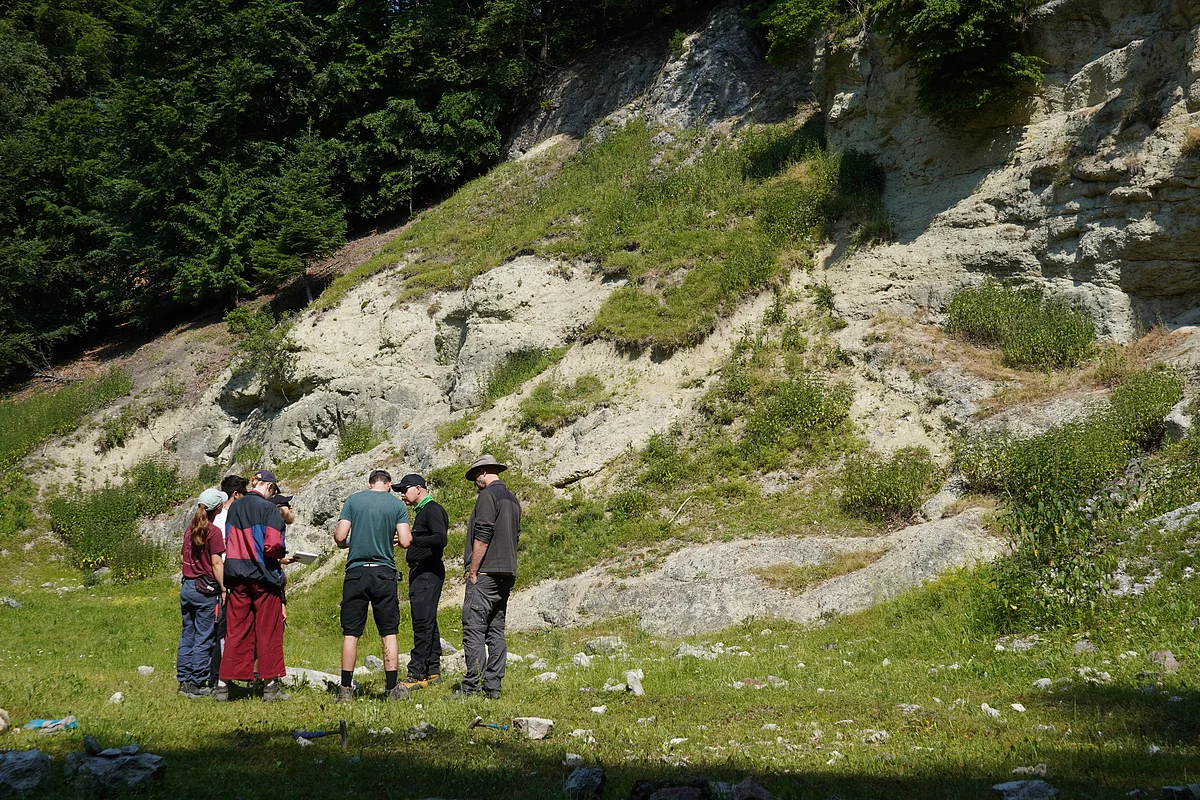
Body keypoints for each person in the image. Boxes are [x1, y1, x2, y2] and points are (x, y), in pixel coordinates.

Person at [333, 468, 412, 702]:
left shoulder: (353, 500)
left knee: (351, 633)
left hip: (356, 573)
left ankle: (345, 689)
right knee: (388, 631)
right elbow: (406, 541)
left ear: (369, 484)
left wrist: (350, 542)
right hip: (384, 573)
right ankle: (391, 688)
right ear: (388, 484)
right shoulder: (397, 505)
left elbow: (340, 537)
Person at [218, 469, 293, 702]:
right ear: (269, 486)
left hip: (237, 577)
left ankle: (223, 686)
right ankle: (270, 687)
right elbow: (272, 546)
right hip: (263, 578)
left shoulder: (234, 508)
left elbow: (230, 540)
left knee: (236, 631)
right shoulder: (269, 509)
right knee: (268, 631)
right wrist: (282, 555)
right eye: (274, 491)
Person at [458, 454, 521, 699]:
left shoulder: (487, 495)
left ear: (483, 472)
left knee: (474, 627)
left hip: (485, 572)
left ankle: (471, 687)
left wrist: (473, 570)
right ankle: (493, 686)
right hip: (507, 572)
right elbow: (515, 536)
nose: (475, 481)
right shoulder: (513, 499)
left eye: (476, 476)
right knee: (496, 629)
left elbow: (483, 533)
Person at [393, 473, 448, 691]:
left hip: (428, 571)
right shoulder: (422, 511)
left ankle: (415, 673)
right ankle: (433, 671)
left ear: (418, 488)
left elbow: (441, 538)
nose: (402, 495)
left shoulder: (432, 510)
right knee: (428, 621)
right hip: (421, 571)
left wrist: (413, 539)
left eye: (404, 490)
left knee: (422, 622)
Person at [177, 488, 227, 699]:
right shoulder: (213, 532)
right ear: (218, 508)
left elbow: (182, 557)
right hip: (204, 590)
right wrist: (224, 588)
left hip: (187, 587)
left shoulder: (190, 529)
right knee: (204, 637)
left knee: (187, 634)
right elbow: (216, 563)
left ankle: (184, 681)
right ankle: (198, 682)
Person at [208, 474, 247, 690]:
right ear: (236, 494)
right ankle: (219, 678)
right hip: (222, 575)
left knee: (220, 628)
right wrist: (224, 586)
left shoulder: (214, 514)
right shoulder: (224, 517)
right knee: (222, 628)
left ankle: (219, 676)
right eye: (244, 493)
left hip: (219, 574)